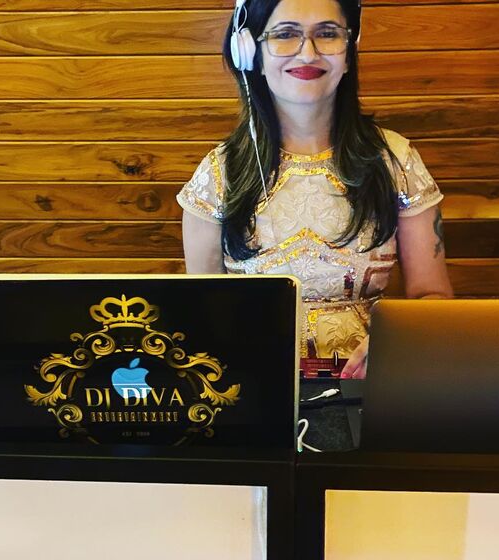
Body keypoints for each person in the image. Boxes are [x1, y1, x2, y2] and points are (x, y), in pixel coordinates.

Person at [177, 0, 453, 378]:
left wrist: (399, 340)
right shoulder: (217, 174)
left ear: (349, 51)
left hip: (370, 392)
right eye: (285, 34)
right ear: (250, 52)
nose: (308, 52)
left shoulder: (396, 160)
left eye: (327, 33)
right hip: (256, 390)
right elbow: (202, 313)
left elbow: (432, 297)